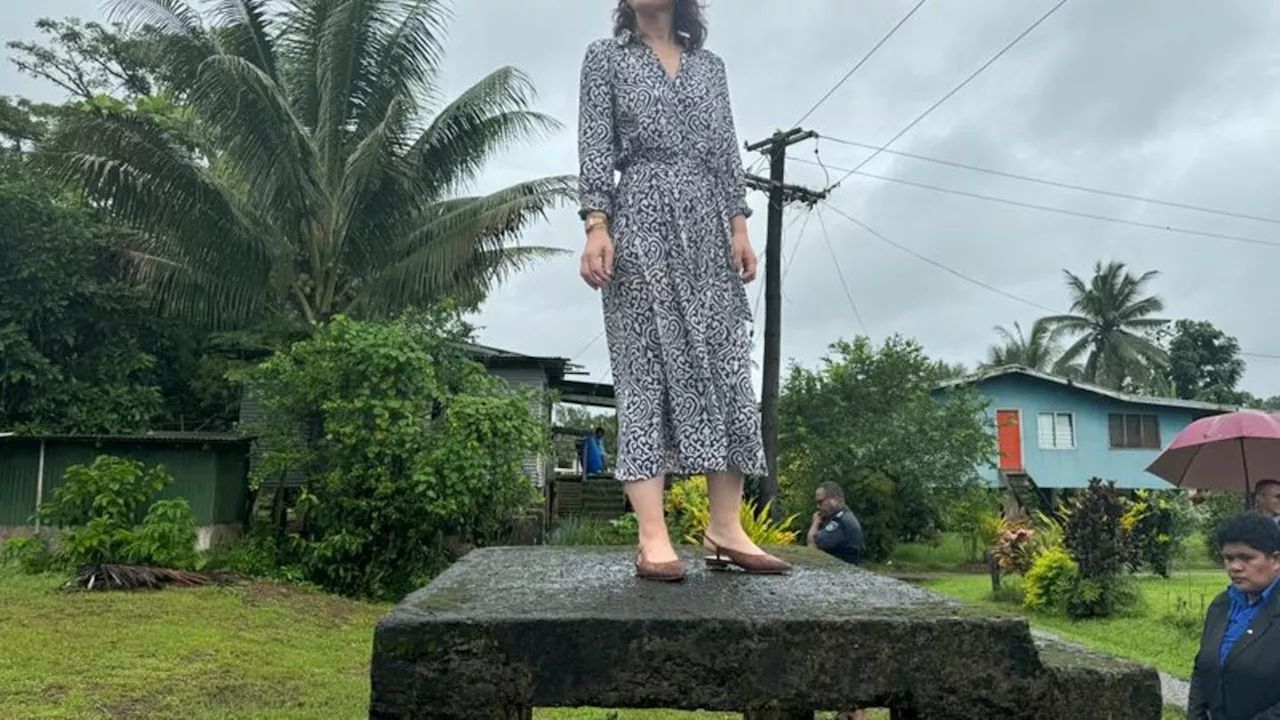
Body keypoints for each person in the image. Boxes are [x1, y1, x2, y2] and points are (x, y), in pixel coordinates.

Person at [576, 0, 790, 582]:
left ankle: (726, 528)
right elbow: (595, 147)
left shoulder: (709, 66)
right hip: (639, 218)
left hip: (708, 229)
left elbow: (726, 152)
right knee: (644, 366)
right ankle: (652, 536)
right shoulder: (605, 58)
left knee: (726, 368)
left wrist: (740, 227)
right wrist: (597, 227)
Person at [1187, 512, 1280, 720]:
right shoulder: (1221, 604)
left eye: (1246, 558)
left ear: (1275, 560)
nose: (1235, 567)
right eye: (1228, 558)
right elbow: (1202, 669)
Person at [807, 481, 864, 565]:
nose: (818, 507)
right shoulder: (844, 515)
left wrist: (815, 522)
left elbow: (812, 548)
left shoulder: (840, 521)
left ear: (834, 499)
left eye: (820, 502)